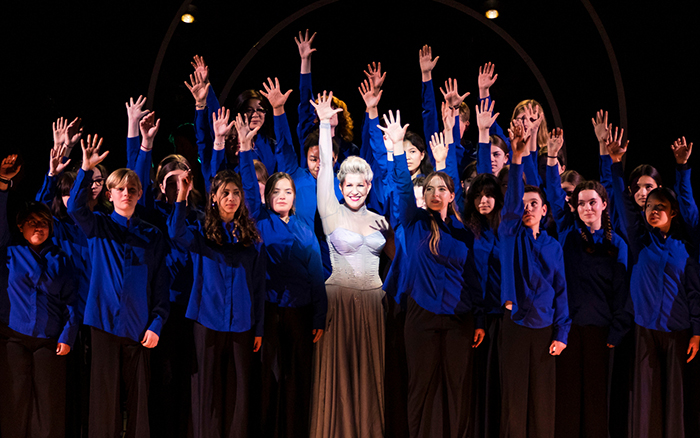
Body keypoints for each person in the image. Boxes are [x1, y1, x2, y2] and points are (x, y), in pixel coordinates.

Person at [382, 109, 484, 438]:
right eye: (429, 189)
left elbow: (473, 278)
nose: (435, 193)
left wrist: (478, 319)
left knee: (457, 391)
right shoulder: (413, 223)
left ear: (453, 196)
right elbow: (400, 188)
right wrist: (398, 147)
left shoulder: (464, 233)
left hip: (459, 317)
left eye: (442, 189)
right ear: (423, 196)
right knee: (419, 389)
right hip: (421, 313)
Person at [67, 135, 170, 438]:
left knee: (139, 404)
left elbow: (160, 284)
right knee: (104, 401)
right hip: (103, 325)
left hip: (140, 328)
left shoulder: (152, 235)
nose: (126, 193)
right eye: (120, 189)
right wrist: (85, 169)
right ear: (110, 194)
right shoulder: (99, 225)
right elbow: (74, 207)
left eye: (132, 190)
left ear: (139, 195)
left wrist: (157, 322)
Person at [237, 110, 327, 438]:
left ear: (294, 198)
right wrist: (245, 149)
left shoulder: (305, 229)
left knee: (297, 379)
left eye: (287, 193)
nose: (282, 197)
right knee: (268, 378)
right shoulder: (260, 222)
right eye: (276, 192)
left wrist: (319, 317)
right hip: (269, 311)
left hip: (301, 314)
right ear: (269, 197)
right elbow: (249, 187)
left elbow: (317, 275)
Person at [309, 91, 391, 438]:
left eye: (361, 184)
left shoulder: (381, 221)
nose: (355, 190)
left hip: (373, 305)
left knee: (369, 380)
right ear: (340, 187)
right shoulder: (331, 212)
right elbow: (325, 167)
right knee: (339, 379)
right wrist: (326, 125)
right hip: (339, 306)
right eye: (349, 184)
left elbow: (400, 263)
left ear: (369, 186)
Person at [544, 129, 632, 438]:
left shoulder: (616, 242)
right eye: (581, 203)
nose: (587, 208)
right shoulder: (568, 233)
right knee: (567, 401)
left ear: (603, 205)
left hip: (601, 331)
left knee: (597, 403)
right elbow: (555, 197)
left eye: (592, 202)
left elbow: (622, 291)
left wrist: (617, 330)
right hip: (569, 329)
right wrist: (552, 157)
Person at [610, 135, 700, 438]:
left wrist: (682, 168)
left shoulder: (684, 247)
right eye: (649, 206)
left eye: (661, 206)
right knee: (646, 401)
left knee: (675, 400)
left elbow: (693, 291)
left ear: (672, 212)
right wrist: (615, 163)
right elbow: (624, 205)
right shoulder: (639, 242)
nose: (654, 210)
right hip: (646, 329)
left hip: (678, 331)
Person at [168, 163, 266, 438]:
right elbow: (175, 234)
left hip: (242, 324)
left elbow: (258, 285)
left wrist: (259, 328)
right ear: (214, 197)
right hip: (207, 319)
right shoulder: (201, 231)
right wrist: (182, 197)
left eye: (236, 193)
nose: (231, 198)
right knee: (206, 389)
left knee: (238, 391)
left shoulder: (251, 236)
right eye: (225, 193)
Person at [498, 123, 570, 438]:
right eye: (524, 204)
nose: (528, 208)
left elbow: (561, 291)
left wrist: (562, 333)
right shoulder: (510, 234)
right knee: (514, 401)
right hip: (514, 326)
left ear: (544, 211)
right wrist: (516, 160)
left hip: (544, 329)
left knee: (542, 402)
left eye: (534, 205)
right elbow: (512, 206)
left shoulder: (553, 245)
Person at [0, 155, 78, 438]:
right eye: (31, 222)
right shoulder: (10, 252)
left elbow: (72, 302)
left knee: (49, 406)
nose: (38, 226)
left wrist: (67, 336)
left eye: (43, 222)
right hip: (14, 339)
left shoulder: (62, 258)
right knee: (14, 402)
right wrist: (3, 185)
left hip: (49, 342)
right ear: (20, 227)